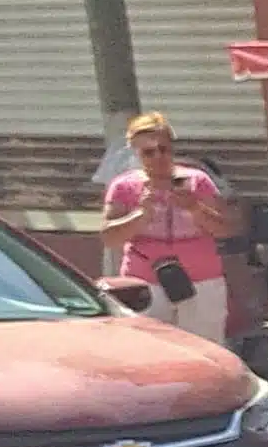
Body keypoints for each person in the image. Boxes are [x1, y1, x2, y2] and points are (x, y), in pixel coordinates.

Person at [100, 113, 234, 347]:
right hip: (144, 280)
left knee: (205, 348)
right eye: (148, 152)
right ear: (136, 154)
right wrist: (141, 214)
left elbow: (225, 229)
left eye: (164, 149)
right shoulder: (124, 187)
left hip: (200, 279)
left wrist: (194, 207)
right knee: (147, 348)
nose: (159, 157)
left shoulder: (197, 181)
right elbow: (109, 237)